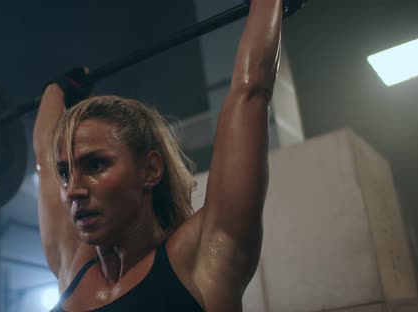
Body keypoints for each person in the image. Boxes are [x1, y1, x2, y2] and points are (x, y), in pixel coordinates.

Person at [33, 0, 282, 310]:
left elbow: (252, 90)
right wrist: (58, 88)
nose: (73, 190)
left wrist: (269, 5)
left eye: (96, 164)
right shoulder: (72, 266)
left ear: (150, 170)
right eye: (67, 173)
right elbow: (44, 163)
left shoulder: (202, 259)